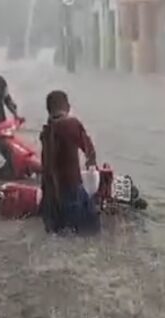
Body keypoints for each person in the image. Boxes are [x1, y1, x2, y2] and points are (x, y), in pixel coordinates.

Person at [39, 90, 100, 235]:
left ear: (48, 110)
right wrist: (92, 169)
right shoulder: (71, 124)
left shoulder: (46, 131)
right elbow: (89, 151)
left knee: (58, 235)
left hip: (50, 194)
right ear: (68, 106)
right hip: (70, 189)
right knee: (90, 233)